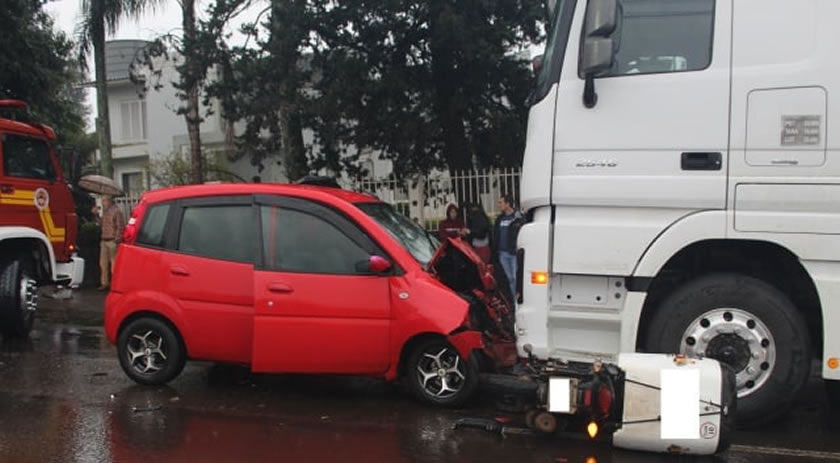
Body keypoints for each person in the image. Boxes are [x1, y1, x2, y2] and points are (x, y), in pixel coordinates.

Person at [493, 194, 523, 299]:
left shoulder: (517, 217)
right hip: (503, 253)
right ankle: (514, 299)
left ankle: (518, 298)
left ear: (508, 204)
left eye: (501, 202)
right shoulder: (500, 219)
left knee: (515, 277)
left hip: (513, 253)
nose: (499, 205)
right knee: (509, 278)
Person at [93, 195, 126, 291]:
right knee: (103, 263)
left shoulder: (117, 211)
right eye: (102, 201)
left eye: (104, 200)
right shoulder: (105, 212)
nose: (103, 203)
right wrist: (96, 215)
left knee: (114, 264)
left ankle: (116, 284)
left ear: (110, 201)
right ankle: (105, 283)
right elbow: (101, 224)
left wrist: (117, 240)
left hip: (112, 240)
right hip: (104, 239)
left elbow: (120, 227)